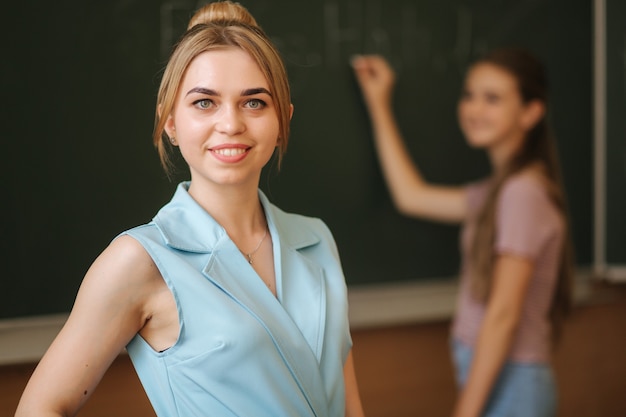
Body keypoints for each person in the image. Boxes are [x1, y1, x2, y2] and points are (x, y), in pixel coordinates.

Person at [15, 2, 365, 416]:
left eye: (254, 102)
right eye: (204, 103)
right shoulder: (139, 260)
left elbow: (348, 406)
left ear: (283, 120)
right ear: (171, 124)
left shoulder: (316, 239)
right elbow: (40, 407)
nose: (231, 123)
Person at [351, 48, 574, 417]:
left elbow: (503, 314)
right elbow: (412, 196)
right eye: (469, 95)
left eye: (492, 99)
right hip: (498, 377)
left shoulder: (523, 193)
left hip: (511, 383)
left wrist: (465, 411)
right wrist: (379, 103)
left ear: (531, 112)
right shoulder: (497, 192)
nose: (474, 109)